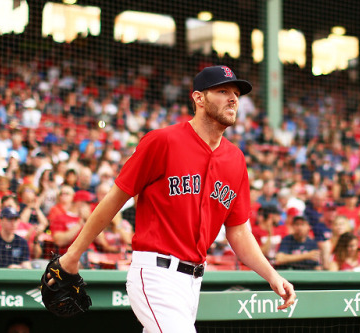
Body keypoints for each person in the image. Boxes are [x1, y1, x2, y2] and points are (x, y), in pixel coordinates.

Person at [52, 65, 295, 332]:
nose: (233, 98)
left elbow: (238, 232)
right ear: (198, 98)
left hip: (193, 283)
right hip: (155, 274)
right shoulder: (162, 141)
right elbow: (115, 198)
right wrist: (72, 255)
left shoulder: (236, 159)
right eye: (223, 90)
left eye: (236, 93)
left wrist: (272, 275)